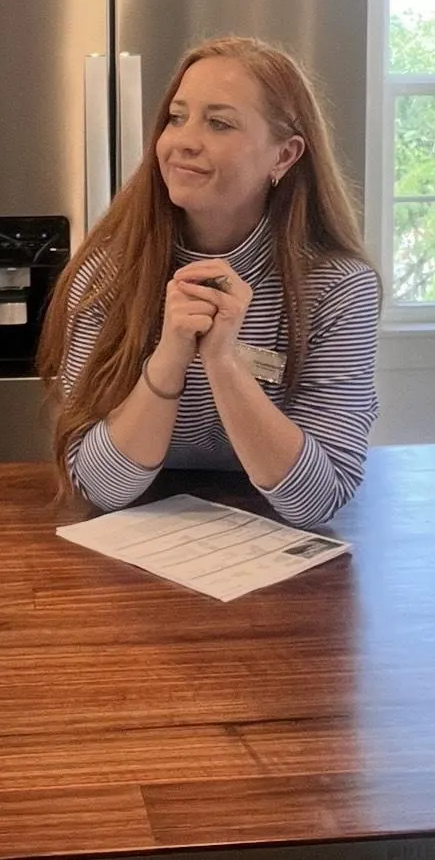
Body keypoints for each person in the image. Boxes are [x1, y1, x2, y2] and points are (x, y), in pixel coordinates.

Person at [37, 35, 380, 527]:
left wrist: (222, 361)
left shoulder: (338, 288)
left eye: (219, 123)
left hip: (276, 555)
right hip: (136, 542)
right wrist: (172, 352)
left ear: (283, 156)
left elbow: (318, 499)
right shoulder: (108, 271)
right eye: (177, 117)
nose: (183, 141)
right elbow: (97, 486)